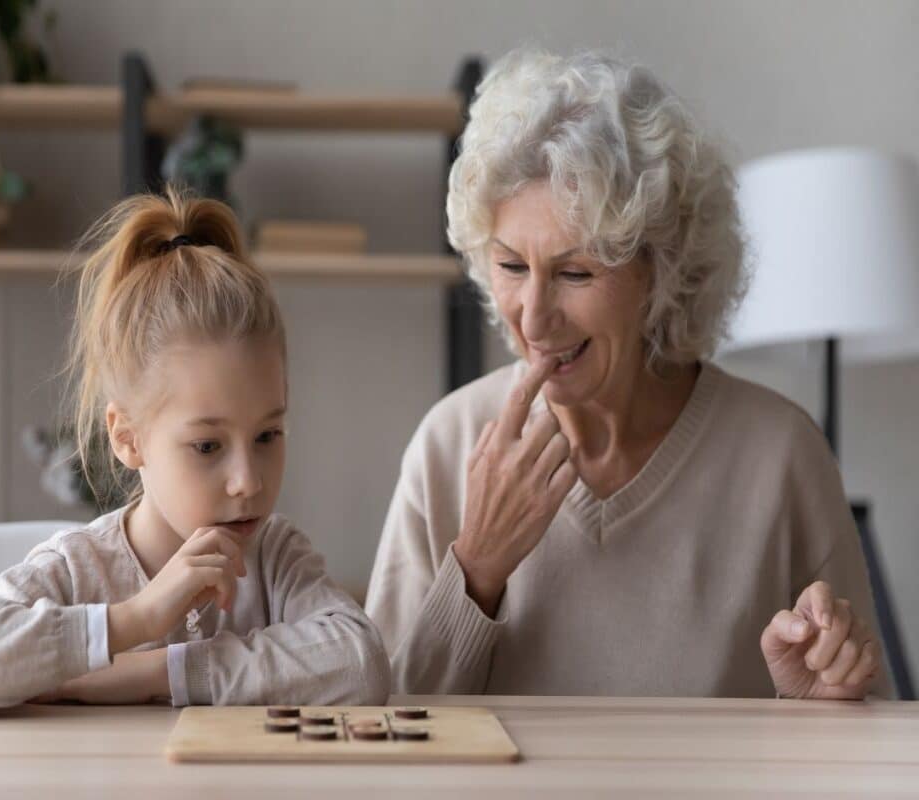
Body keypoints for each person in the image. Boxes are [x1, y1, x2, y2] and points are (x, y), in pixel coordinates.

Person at [366, 49, 887, 699]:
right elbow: (383, 745)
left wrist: (822, 705)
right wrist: (475, 571)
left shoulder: (782, 457)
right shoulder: (448, 446)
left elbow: (868, 749)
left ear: (664, 272)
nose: (532, 317)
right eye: (510, 266)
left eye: (576, 272)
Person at [0, 187, 390, 720]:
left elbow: (360, 666)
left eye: (268, 436)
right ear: (126, 437)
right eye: (207, 446)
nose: (248, 480)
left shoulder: (276, 559)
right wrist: (137, 619)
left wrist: (156, 673)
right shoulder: (76, 569)